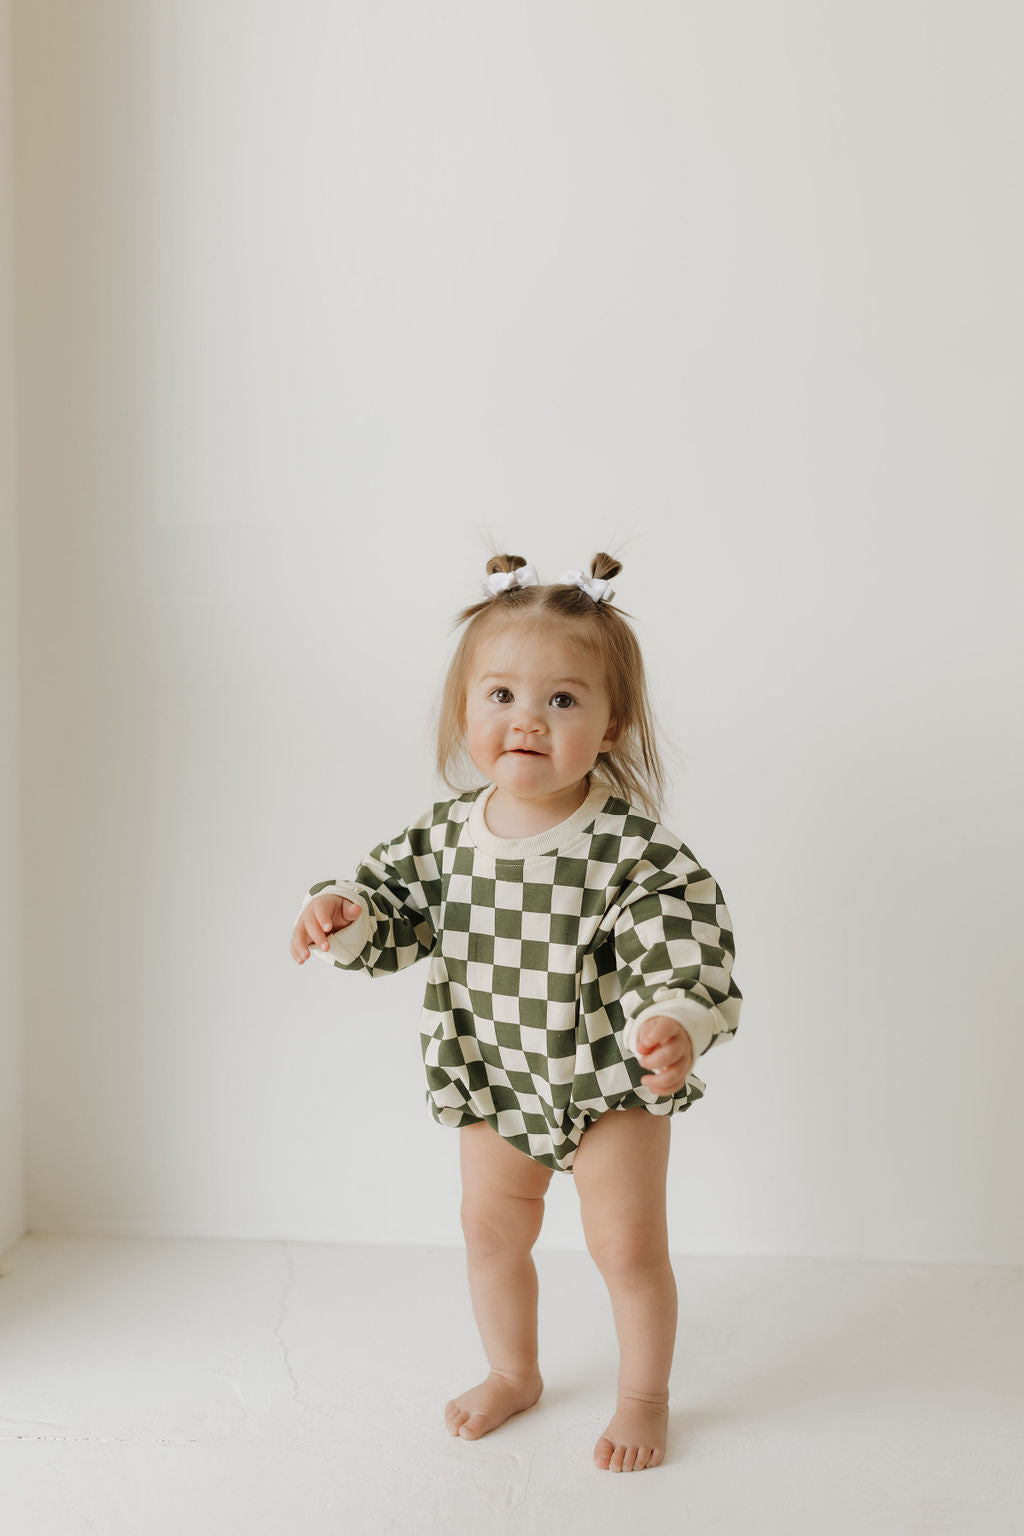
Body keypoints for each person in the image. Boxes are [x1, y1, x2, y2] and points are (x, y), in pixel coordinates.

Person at [290, 551, 742, 1473]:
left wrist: (676, 1024)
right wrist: (347, 915)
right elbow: (393, 906)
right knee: (491, 1230)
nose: (527, 718)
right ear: (466, 712)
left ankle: (643, 1397)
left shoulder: (631, 849)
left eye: (563, 701)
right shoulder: (445, 835)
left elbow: (684, 942)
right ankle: (513, 1371)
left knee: (625, 1246)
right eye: (499, 693)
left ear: (613, 725)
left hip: (607, 1076)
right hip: (494, 1072)